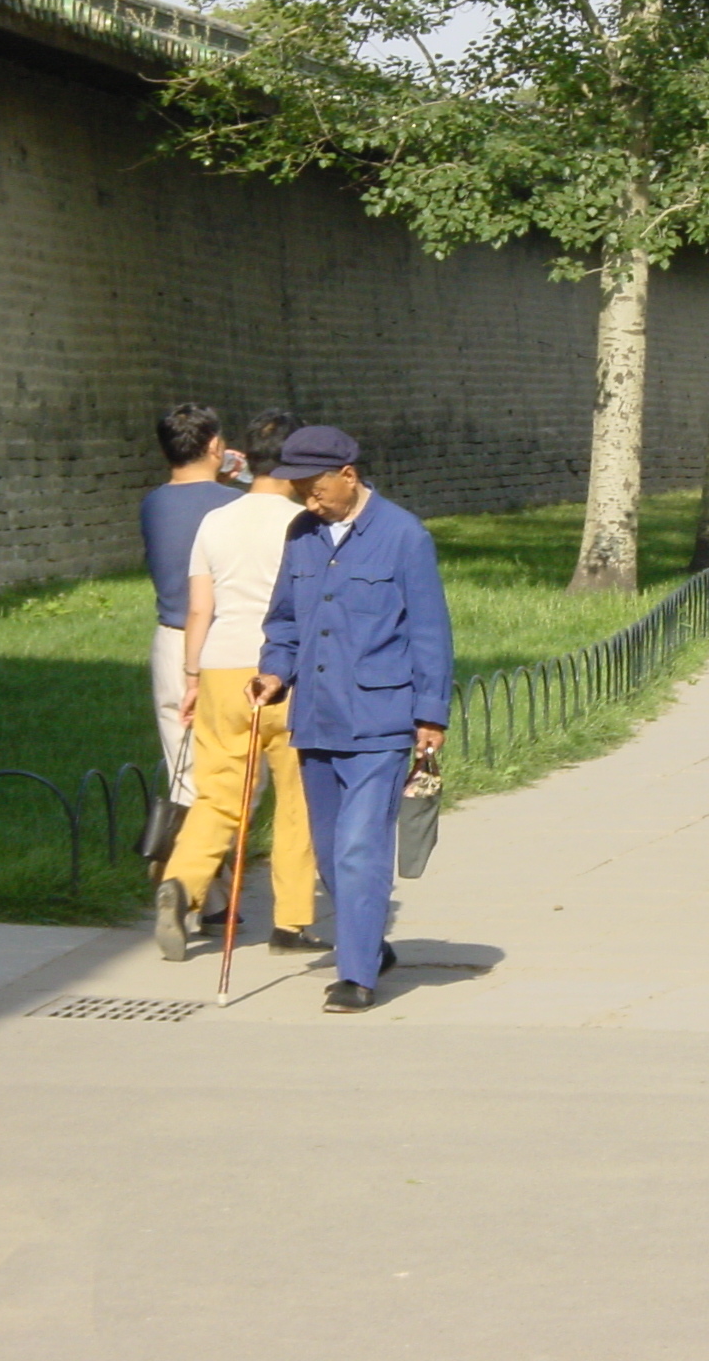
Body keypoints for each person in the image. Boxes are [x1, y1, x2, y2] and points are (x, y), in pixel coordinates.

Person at [249, 426, 454, 1013]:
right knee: (330, 847)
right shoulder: (302, 534)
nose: (307, 501)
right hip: (315, 716)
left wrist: (430, 714)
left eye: (314, 489)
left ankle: (357, 974)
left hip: (380, 720)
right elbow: (284, 621)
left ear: (348, 474)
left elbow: (429, 632)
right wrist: (272, 672)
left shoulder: (403, 537)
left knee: (361, 848)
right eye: (299, 491)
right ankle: (369, 941)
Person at [153, 411, 327, 962]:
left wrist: (191, 677)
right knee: (298, 798)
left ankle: (181, 883)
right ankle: (292, 921)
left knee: (218, 794)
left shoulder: (217, 522)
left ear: (242, 458)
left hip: (224, 668)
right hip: (289, 672)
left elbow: (200, 608)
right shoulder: (305, 525)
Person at [140, 403, 241, 805]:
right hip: (226, 636)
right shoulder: (235, 504)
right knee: (235, 754)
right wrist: (242, 480)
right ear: (216, 445)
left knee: (182, 758)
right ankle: (225, 846)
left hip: (172, 636)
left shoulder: (153, 504)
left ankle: (187, 852)